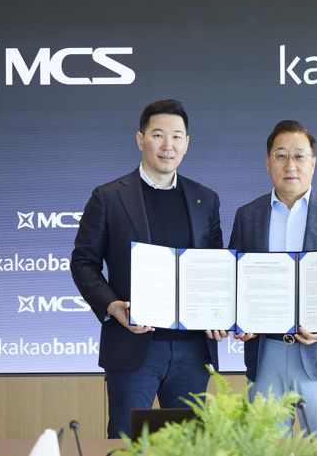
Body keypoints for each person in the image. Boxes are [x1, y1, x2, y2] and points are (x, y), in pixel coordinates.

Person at [71, 99, 223, 438]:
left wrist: (220, 311)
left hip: (192, 349)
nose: (168, 145)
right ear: (140, 139)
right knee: (127, 442)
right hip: (132, 344)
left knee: (187, 444)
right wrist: (111, 305)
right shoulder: (108, 197)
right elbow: (83, 262)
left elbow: (216, 268)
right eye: (158, 135)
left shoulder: (205, 199)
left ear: (187, 143)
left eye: (177, 136)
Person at [229, 119, 317, 438]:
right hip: (266, 354)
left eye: (299, 156)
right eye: (281, 156)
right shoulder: (248, 216)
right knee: (265, 447)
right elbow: (233, 280)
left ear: (313, 162)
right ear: (267, 162)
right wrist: (237, 320)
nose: (290, 165)